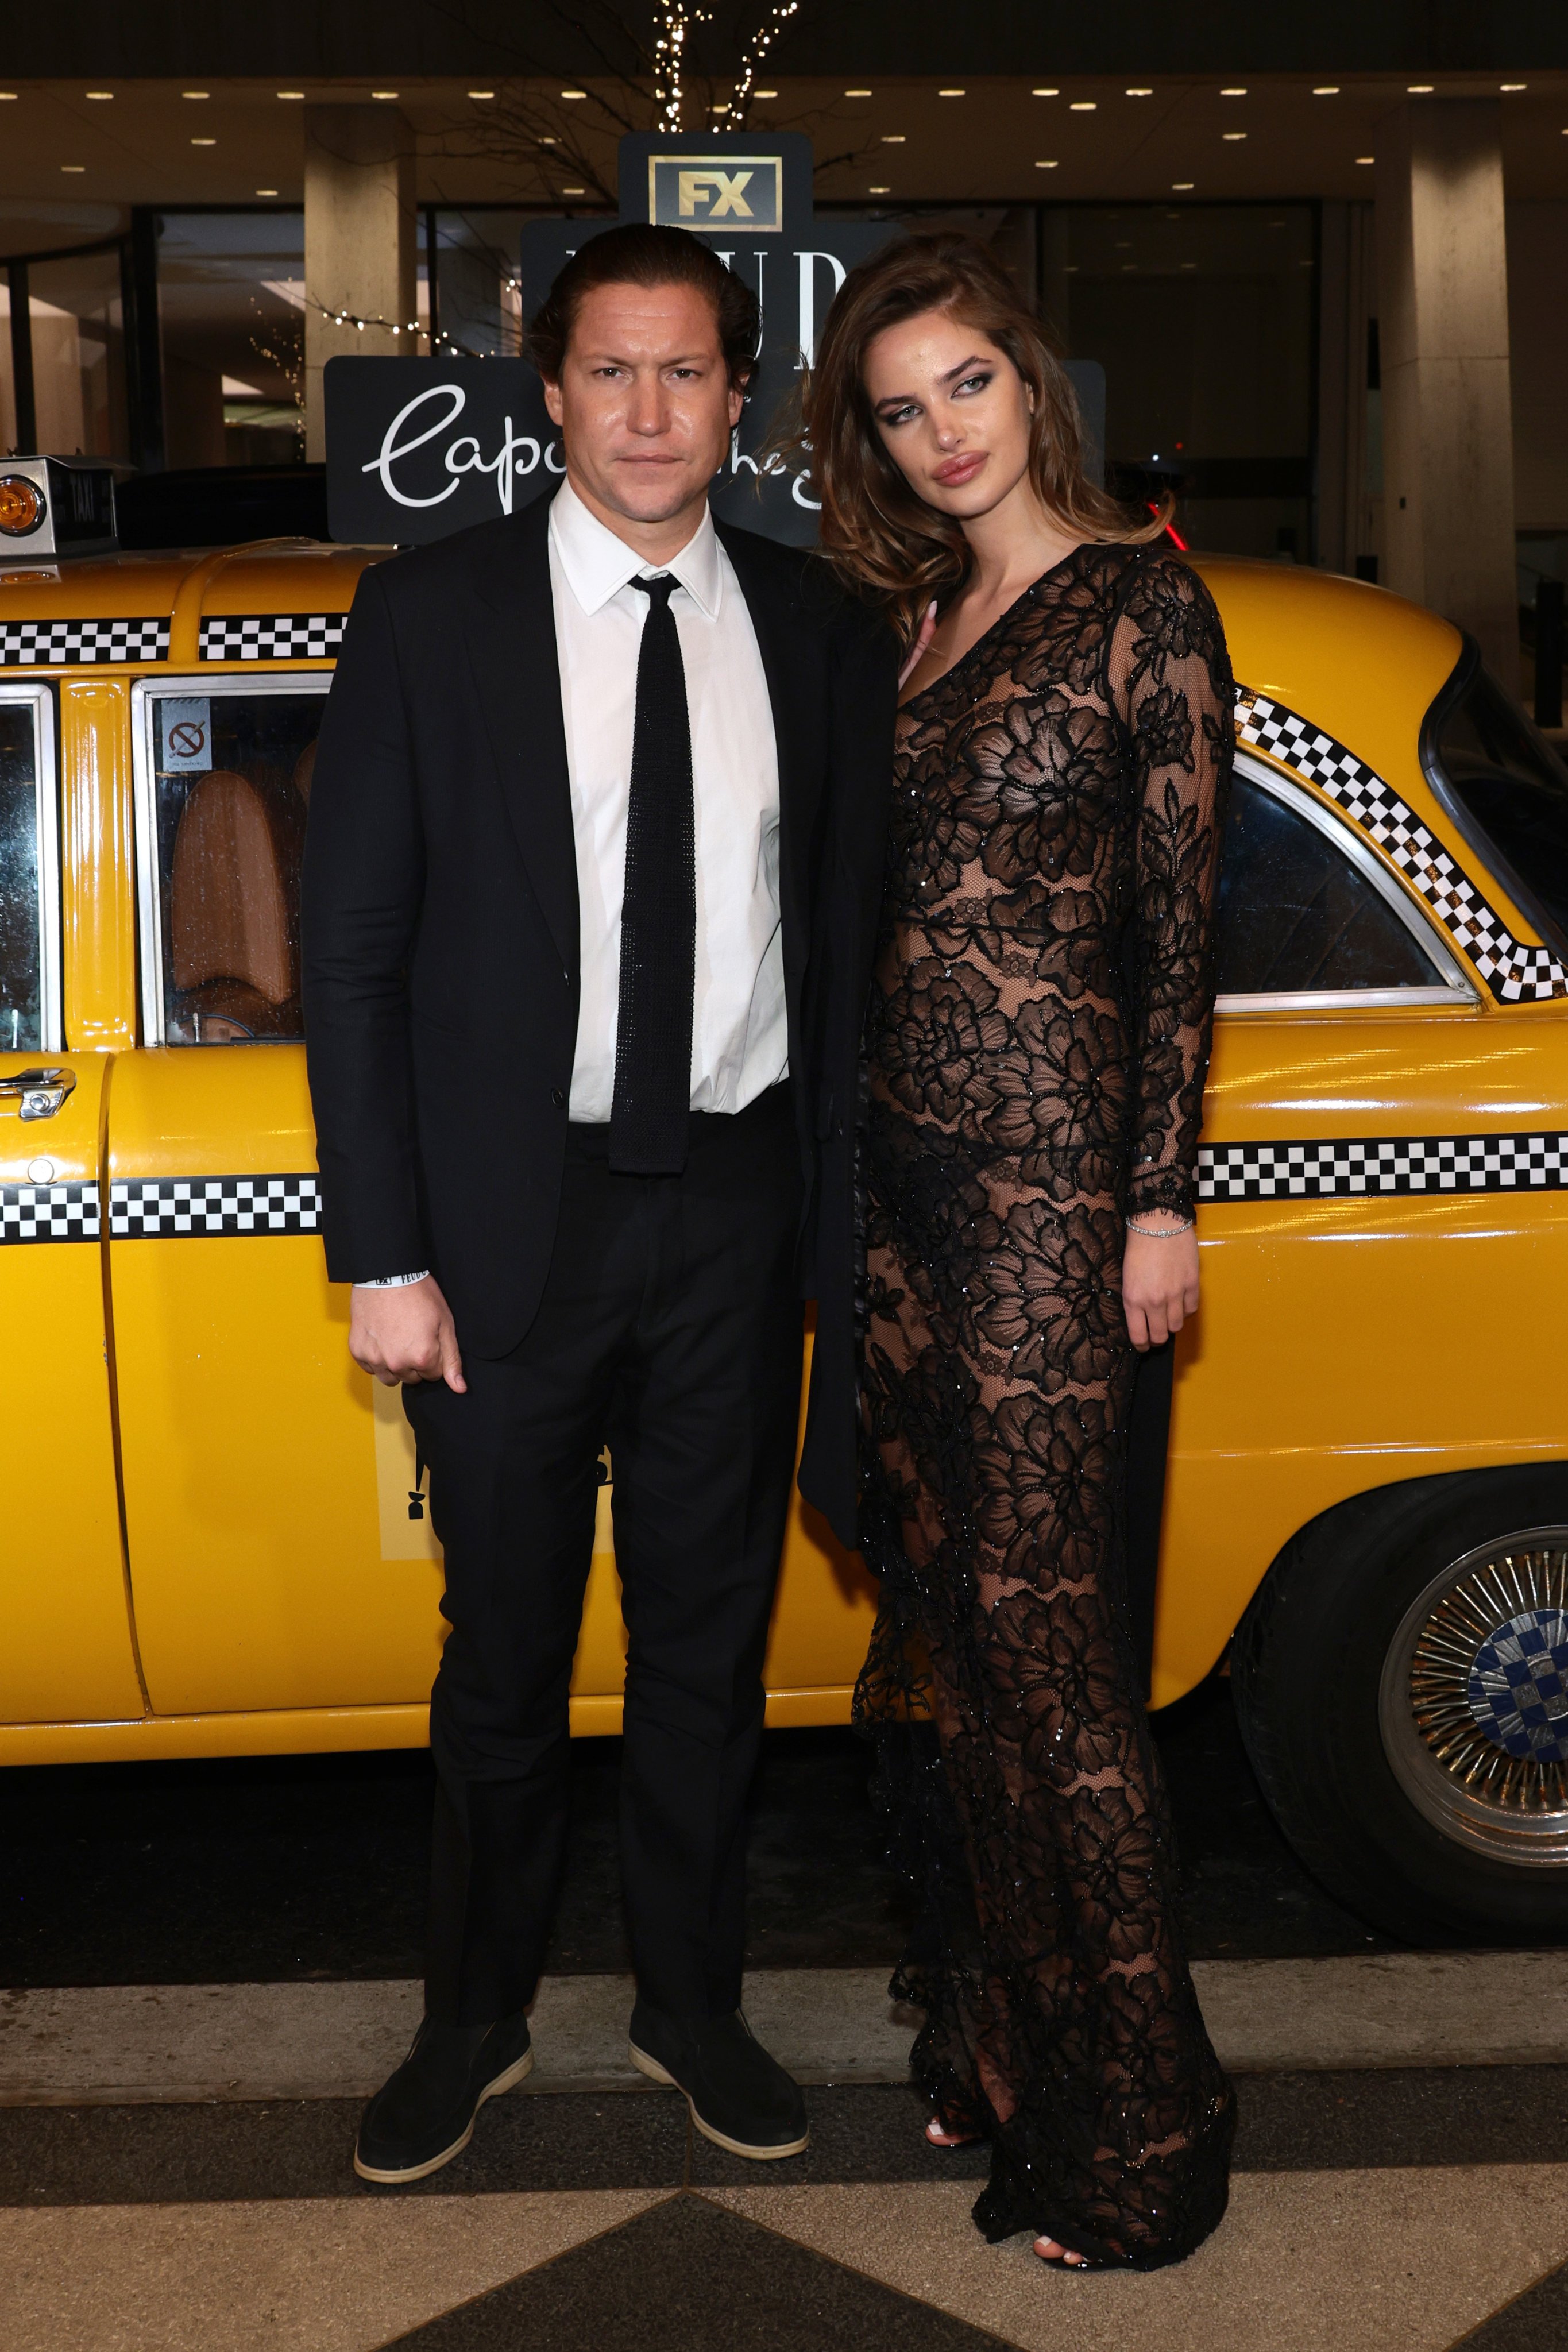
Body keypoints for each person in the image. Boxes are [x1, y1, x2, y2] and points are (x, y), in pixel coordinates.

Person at [300, 223, 896, 2184]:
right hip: (497, 1229)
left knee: (709, 1647)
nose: (650, 410)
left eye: (690, 372)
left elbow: (849, 944)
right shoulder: (428, 611)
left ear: (741, 401)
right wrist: (383, 1255)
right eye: (612, 371)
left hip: (733, 1201)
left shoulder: (816, 628)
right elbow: (358, 960)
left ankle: (688, 2003)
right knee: (501, 1655)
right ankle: (468, 2023)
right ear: (548, 395)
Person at [797, 232, 1236, 2270]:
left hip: (1056, 1212)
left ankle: (1144, 2142)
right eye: (899, 406)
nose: (939, 432)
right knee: (956, 1664)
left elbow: (1177, 932)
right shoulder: (916, 619)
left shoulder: (1143, 599)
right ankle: (1002, 2040)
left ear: (1025, 382)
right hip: (899, 1211)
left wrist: (1161, 1195)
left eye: (963, 383)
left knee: (1057, 1683)